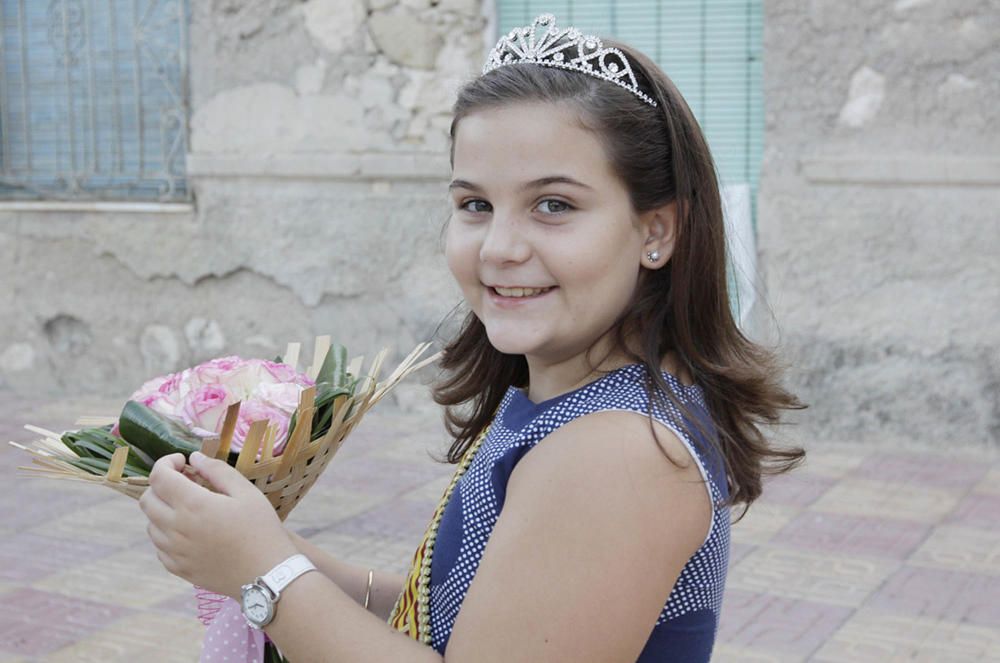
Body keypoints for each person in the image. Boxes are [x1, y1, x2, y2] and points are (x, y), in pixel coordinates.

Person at [139, 13, 804, 662]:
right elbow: (470, 617)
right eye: (476, 205)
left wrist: (266, 575)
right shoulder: (563, 396)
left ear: (656, 231)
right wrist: (261, 546)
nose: (499, 248)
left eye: (555, 205)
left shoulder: (621, 451)